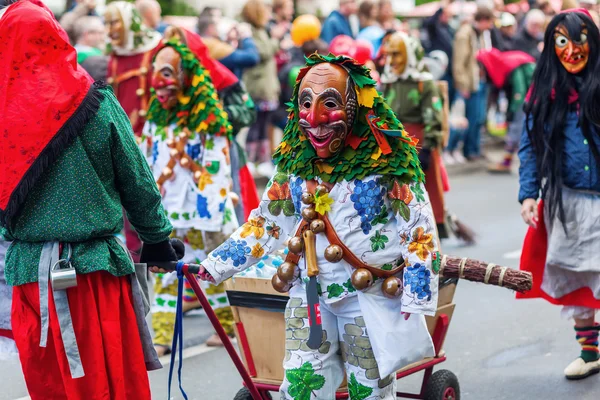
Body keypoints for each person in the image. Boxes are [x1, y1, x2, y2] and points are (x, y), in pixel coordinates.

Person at [194, 53, 439, 399]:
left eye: (330, 104)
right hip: (310, 298)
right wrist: (213, 265)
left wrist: (416, 297)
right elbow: (266, 223)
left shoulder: (389, 162)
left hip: (367, 299)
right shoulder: (295, 163)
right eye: (306, 104)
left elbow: (419, 232)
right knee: (300, 389)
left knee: (368, 392)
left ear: (356, 105)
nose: (316, 119)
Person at [0, 1, 182, 398]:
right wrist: (156, 239)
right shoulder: (96, 102)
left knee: (52, 387)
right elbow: (137, 179)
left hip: (31, 280)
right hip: (93, 276)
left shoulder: (3, 111)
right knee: (108, 384)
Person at [139, 33, 243, 352]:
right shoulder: (155, 123)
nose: (159, 82)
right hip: (168, 214)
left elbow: (217, 168)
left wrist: (210, 215)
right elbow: (145, 162)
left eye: (167, 74)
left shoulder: (208, 122)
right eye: (156, 73)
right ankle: (160, 335)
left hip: (201, 215)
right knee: (166, 274)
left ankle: (226, 326)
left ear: (187, 77)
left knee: (207, 269)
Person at [517, 9, 600, 380]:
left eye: (579, 39)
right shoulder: (544, 90)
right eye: (562, 42)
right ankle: (590, 350)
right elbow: (530, 146)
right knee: (577, 276)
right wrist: (528, 195)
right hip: (567, 201)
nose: (571, 50)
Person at [104, 1, 163, 264]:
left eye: (114, 22)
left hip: (151, 137)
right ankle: (135, 257)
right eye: (106, 23)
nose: (109, 30)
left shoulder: (157, 49)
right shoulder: (115, 55)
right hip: (124, 138)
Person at [381, 32, 448, 238]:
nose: (391, 61)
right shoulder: (390, 81)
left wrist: (427, 148)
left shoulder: (424, 83)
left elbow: (433, 117)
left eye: (397, 55)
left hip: (420, 141)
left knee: (427, 189)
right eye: (389, 55)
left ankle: (434, 230)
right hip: (394, 143)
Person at [242, 0, 285, 175]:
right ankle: (251, 159)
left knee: (264, 123)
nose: (269, 14)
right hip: (258, 86)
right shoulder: (251, 32)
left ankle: (262, 160)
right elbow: (263, 52)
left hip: (266, 86)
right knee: (256, 123)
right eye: (265, 11)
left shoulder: (260, 31)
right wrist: (275, 38)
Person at [448, 6, 495, 161]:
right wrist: (462, 84)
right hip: (470, 82)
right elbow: (459, 62)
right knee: (471, 118)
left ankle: (475, 148)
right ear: (482, 20)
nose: (490, 26)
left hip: (479, 80)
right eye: (489, 22)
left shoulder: (479, 33)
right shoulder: (465, 34)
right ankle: (469, 150)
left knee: (479, 117)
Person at [478, 49, 535, 173]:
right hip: (531, 97)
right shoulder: (505, 64)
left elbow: (519, 92)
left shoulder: (509, 65)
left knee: (517, 127)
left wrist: (513, 111)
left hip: (531, 97)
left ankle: (507, 162)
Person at [422, 0, 456, 106]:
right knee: (438, 100)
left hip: (450, 71)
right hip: (439, 71)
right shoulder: (435, 29)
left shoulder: (449, 29)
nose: (447, 17)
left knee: (449, 100)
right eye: (445, 15)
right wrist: (442, 7)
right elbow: (430, 23)